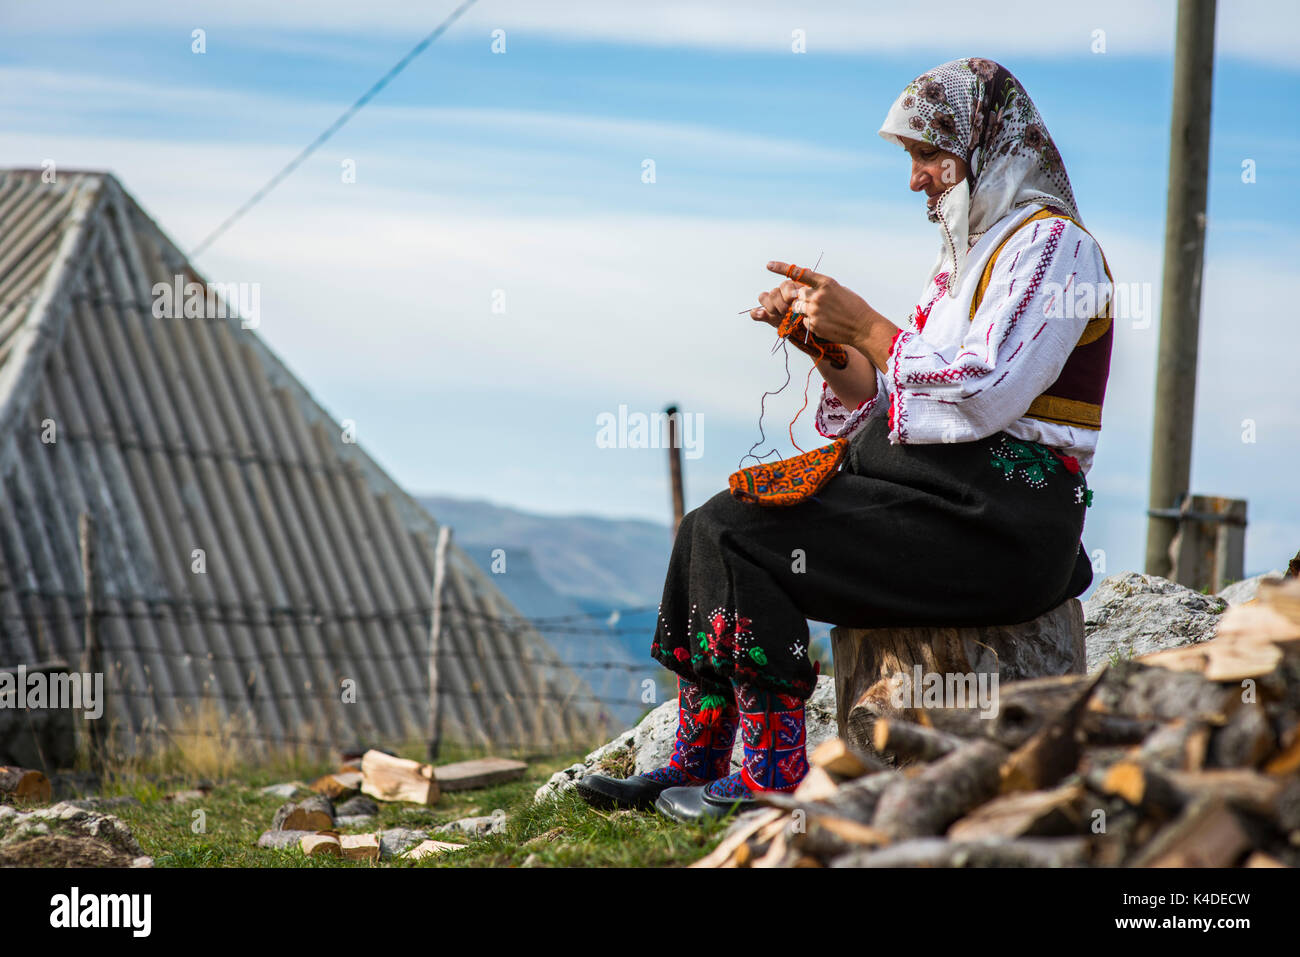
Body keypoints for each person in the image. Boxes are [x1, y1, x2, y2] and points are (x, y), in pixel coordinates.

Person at [577, 56, 1113, 822]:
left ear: (989, 144)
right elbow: (898, 397)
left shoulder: (1057, 250)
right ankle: (696, 757)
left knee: (745, 537)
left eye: (930, 154)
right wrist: (827, 348)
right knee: (712, 526)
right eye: (911, 159)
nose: (916, 178)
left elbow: (984, 392)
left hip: (1004, 524)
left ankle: (771, 772)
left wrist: (864, 323)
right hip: (942, 497)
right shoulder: (963, 264)